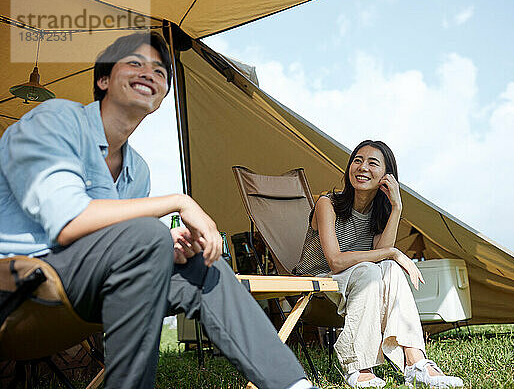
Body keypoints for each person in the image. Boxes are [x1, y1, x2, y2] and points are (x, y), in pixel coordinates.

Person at [0, 31, 318, 389]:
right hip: (16, 289)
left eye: (160, 71)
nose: (149, 72)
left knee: (202, 268)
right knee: (147, 234)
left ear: (161, 97)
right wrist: (179, 202)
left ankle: (293, 385)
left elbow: (116, 246)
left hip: (82, 288)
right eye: (135, 63)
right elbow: (70, 222)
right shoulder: (55, 121)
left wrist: (171, 245)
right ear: (103, 80)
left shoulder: (138, 172)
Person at [294, 140, 464, 388]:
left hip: (360, 283)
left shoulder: (378, 212)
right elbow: (336, 261)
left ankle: (415, 360)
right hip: (319, 283)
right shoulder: (327, 203)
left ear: (387, 177)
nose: (362, 167)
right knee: (371, 269)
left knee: (388, 268)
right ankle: (357, 366)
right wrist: (394, 252)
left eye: (372, 163)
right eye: (357, 160)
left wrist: (397, 206)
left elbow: (382, 256)